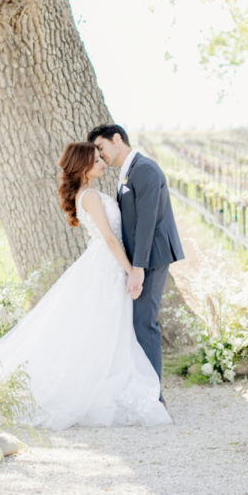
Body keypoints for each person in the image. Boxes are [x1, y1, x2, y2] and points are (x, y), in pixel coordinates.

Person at [0, 142, 171, 429]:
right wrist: (133, 272)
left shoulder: (89, 194)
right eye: (96, 160)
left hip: (106, 263)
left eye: (101, 157)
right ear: (83, 165)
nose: (102, 163)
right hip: (107, 264)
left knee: (107, 328)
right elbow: (110, 239)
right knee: (101, 326)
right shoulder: (91, 197)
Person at [88, 124, 183, 403]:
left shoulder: (145, 169)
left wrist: (137, 267)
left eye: (102, 148)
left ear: (117, 139)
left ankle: (154, 397)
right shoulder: (127, 171)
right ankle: (140, 389)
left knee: (144, 322)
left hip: (151, 256)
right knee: (136, 321)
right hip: (139, 258)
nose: (101, 155)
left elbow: (147, 221)